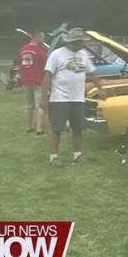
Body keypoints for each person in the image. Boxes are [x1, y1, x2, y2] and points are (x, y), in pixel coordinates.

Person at [40, 28, 104, 166]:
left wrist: (100, 89)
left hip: (78, 98)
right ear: (72, 42)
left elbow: (92, 73)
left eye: (82, 42)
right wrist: (43, 97)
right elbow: (47, 76)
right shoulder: (57, 55)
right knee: (57, 129)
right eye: (79, 42)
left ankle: (78, 154)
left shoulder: (83, 54)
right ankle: (54, 157)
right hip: (60, 98)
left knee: (78, 128)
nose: (81, 44)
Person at [18, 30, 49, 134]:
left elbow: (20, 65)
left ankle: (28, 127)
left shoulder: (22, 50)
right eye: (43, 37)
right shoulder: (40, 51)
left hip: (26, 80)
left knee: (29, 105)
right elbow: (46, 67)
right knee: (40, 105)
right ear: (38, 37)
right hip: (38, 80)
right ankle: (39, 129)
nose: (44, 39)